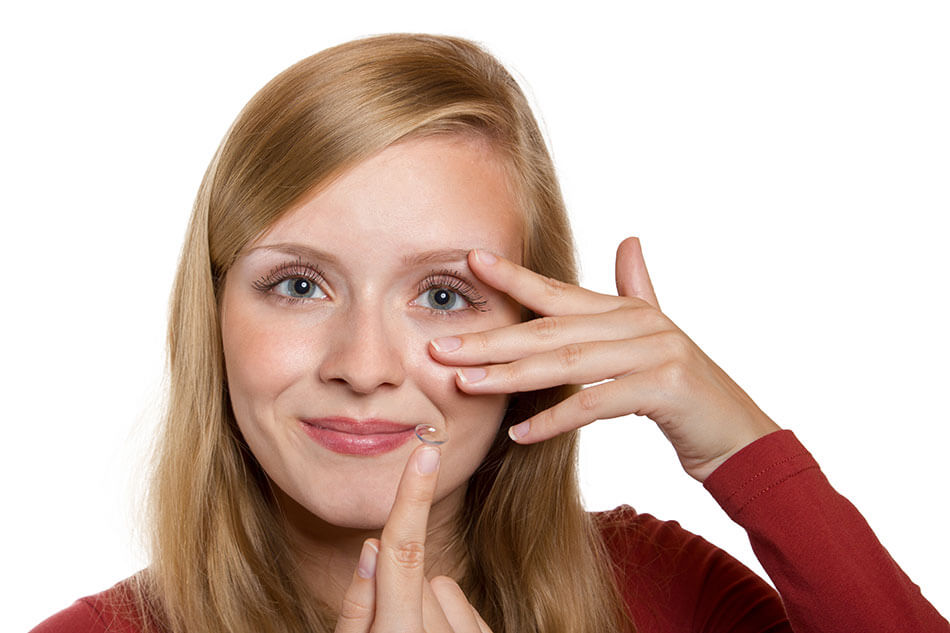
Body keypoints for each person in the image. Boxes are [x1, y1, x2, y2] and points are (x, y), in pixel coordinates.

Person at [30, 33, 948, 633]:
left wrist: (745, 451)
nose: (363, 366)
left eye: (441, 295)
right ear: (214, 316)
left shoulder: (657, 591)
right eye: (299, 284)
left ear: (540, 328)